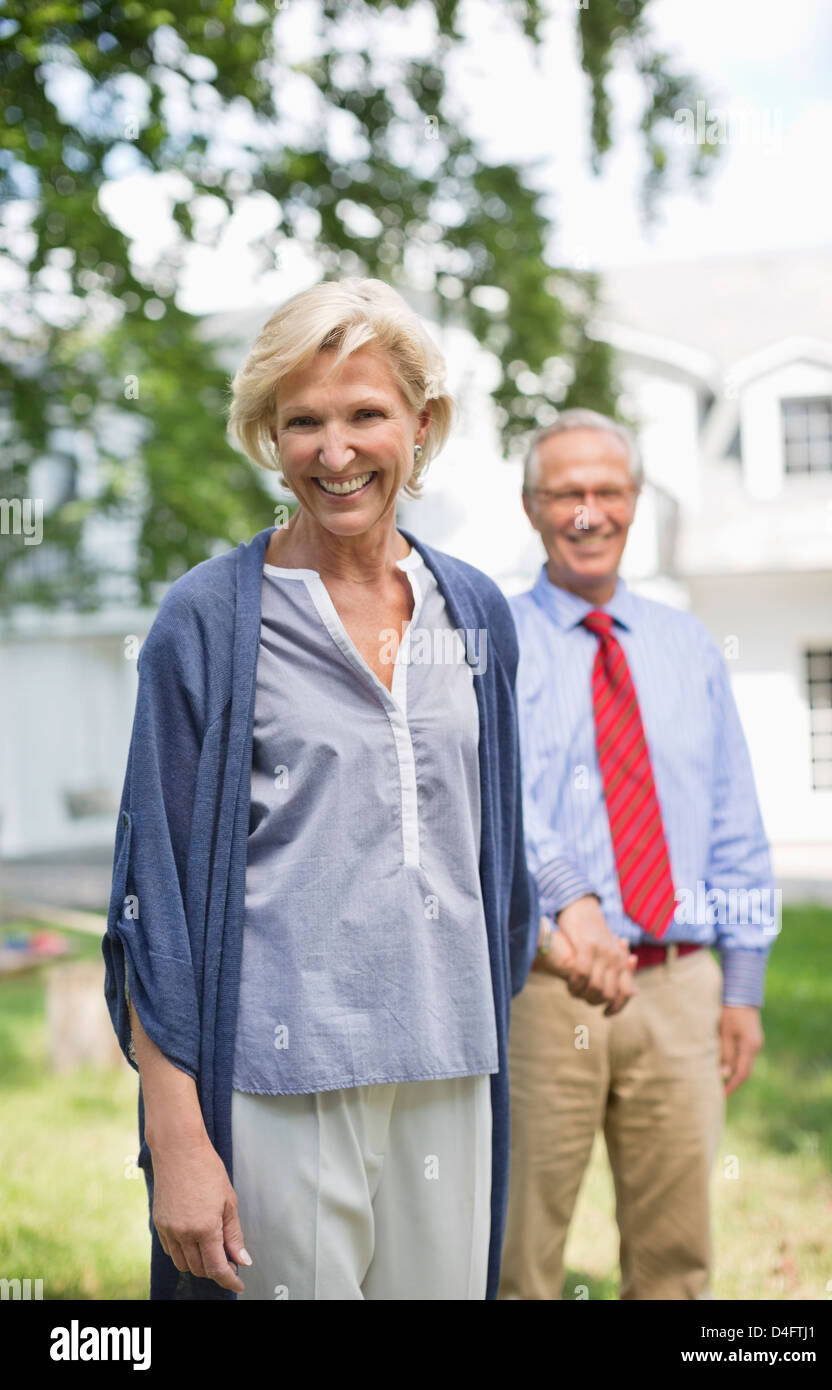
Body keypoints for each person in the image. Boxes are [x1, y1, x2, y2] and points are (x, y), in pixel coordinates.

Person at [103, 275, 575, 1301]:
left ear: (421, 422)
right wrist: (176, 1135)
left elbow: (487, 832)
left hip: (452, 1063)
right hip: (281, 1079)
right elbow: (153, 901)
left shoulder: (474, 611)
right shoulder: (207, 622)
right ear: (267, 438)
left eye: (366, 413)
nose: (336, 450)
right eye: (301, 421)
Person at [499, 408, 777, 1301]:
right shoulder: (492, 643)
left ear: (636, 501)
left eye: (607, 491)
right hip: (545, 990)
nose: (589, 511)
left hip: (680, 988)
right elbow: (494, 800)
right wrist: (566, 899)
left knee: (677, 1262)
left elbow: (734, 818)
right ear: (532, 507)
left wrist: (741, 986)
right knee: (515, 1253)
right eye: (566, 493)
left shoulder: (688, 645)